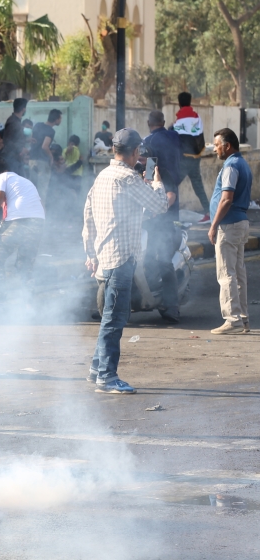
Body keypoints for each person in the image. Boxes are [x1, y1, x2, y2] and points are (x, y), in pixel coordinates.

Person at [82, 129, 168, 394]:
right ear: (135, 152)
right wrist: (157, 182)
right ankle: (107, 377)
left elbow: (87, 218)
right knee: (115, 319)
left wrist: (90, 254)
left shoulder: (103, 176)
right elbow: (159, 205)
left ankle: (97, 369)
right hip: (121, 258)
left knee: (110, 317)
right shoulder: (129, 178)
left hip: (105, 256)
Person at [208, 129, 253, 335]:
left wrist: (214, 225)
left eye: (217, 145)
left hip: (229, 225)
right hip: (240, 223)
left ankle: (232, 319)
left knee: (226, 273)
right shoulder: (242, 163)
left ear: (227, 146)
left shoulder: (231, 166)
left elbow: (226, 199)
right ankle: (242, 318)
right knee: (238, 273)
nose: (215, 148)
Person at [0, 158, 45, 285]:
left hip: (18, 220)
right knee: (25, 263)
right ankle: (26, 297)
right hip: (38, 222)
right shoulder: (25, 181)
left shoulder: (1, 178)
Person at [141, 111, 183, 322]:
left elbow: (168, 197)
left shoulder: (161, 172)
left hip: (164, 221)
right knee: (145, 259)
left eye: (142, 156)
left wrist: (156, 207)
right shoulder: (173, 137)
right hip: (152, 221)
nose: (139, 159)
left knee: (163, 261)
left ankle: (172, 305)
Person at [172, 92, 210, 222]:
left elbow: (175, 136)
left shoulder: (179, 119)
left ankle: (172, 215)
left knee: (172, 184)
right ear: (190, 101)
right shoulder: (197, 117)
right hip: (196, 157)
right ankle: (209, 213)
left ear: (179, 102)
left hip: (184, 159)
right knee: (198, 185)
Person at [29, 109, 62, 202]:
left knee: (32, 189)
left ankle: (30, 212)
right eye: (60, 118)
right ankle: (41, 214)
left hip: (32, 160)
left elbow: (31, 139)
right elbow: (45, 146)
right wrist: (51, 157)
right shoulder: (50, 130)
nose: (60, 120)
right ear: (56, 119)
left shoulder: (37, 125)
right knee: (42, 191)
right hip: (42, 162)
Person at [2, 98, 28, 175]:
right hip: (12, 158)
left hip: (15, 158)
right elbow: (8, 141)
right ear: (23, 109)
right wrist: (20, 150)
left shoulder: (14, 121)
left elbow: (15, 138)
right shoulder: (14, 122)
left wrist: (26, 140)